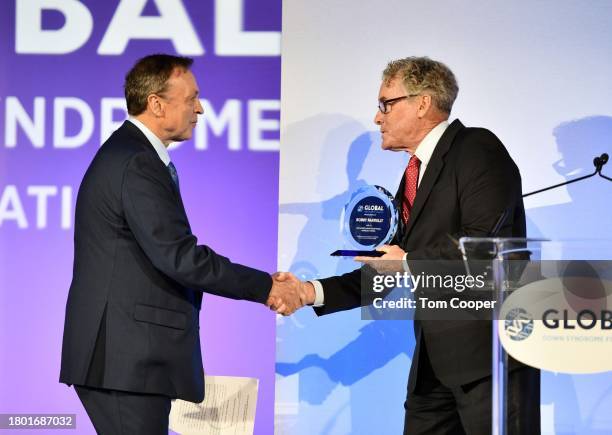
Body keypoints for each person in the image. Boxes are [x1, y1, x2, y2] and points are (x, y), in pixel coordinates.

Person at [274, 57, 540, 434]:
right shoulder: (415, 173)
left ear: (422, 103)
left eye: (386, 104)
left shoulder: (477, 149)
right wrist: (307, 292)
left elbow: (486, 248)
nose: (377, 117)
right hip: (433, 366)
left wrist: (410, 262)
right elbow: (388, 266)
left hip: (489, 362)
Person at [60, 54, 300, 434]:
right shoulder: (136, 162)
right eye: (191, 99)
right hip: (124, 363)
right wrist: (266, 286)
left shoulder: (132, 155)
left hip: (127, 361)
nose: (200, 108)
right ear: (156, 103)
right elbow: (180, 258)